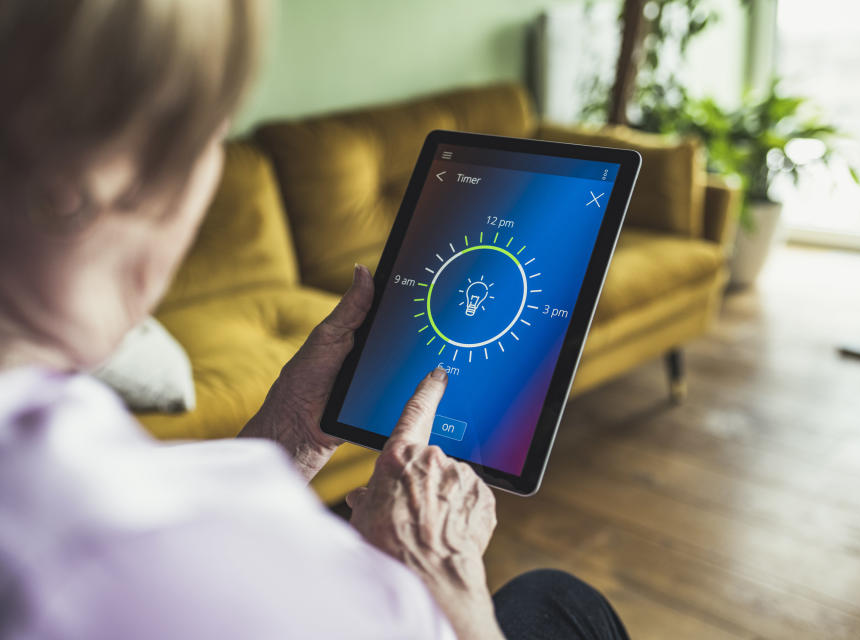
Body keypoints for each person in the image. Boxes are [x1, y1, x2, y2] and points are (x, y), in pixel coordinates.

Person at [0, 2, 630, 639]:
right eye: (213, 139)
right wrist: (437, 584)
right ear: (107, 179)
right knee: (566, 605)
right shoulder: (138, 558)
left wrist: (288, 433)